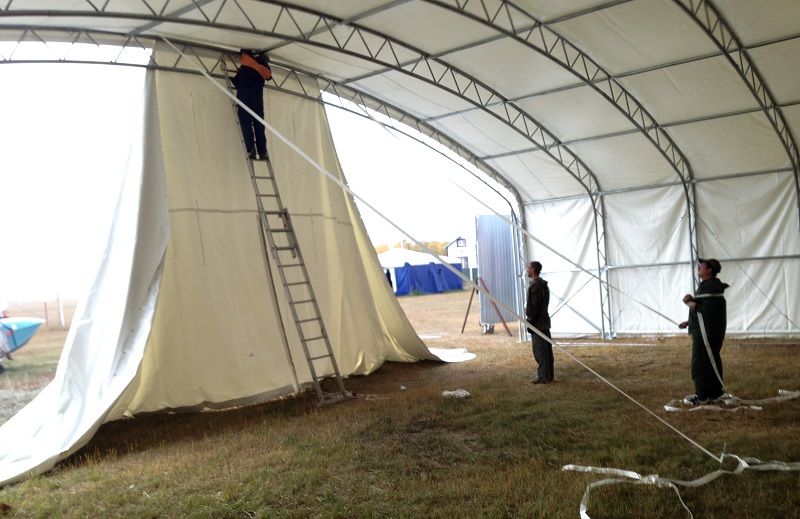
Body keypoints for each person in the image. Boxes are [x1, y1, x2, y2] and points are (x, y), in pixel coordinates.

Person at [678, 258, 729, 404]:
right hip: (707, 331)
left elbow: (707, 310)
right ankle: (714, 393)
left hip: (706, 334)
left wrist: (689, 302)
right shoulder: (708, 286)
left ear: (710, 270)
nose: (699, 267)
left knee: (700, 364)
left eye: (702, 265)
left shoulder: (711, 286)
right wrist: (689, 322)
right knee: (710, 362)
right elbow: (706, 312)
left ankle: (702, 396)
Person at [232, 49, 272, 161]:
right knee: (258, 123)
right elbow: (269, 77)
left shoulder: (246, 59)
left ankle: (251, 149)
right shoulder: (265, 69)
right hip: (257, 97)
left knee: (246, 122)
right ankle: (262, 151)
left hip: (244, 94)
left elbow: (243, 52)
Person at [526, 261, 553, 384]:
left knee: (540, 351)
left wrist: (530, 321)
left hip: (538, 324)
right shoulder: (543, 285)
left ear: (533, 269)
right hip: (544, 321)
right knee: (547, 350)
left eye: (528, 268)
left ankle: (543, 377)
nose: (527, 270)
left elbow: (534, 307)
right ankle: (549, 375)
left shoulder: (535, 286)